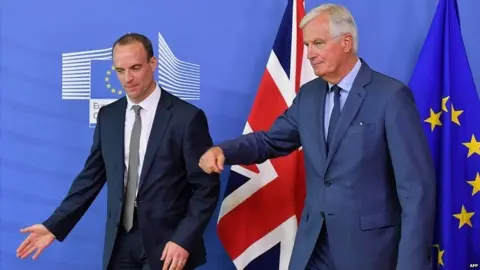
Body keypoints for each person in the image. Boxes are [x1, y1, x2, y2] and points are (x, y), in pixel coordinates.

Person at [199, 4, 436, 270]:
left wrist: (412, 264)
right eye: (307, 45)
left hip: (371, 252)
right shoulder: (309, 95)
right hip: (313, 247)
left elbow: (416, 190)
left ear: (346, 42)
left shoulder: (390, 96)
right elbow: (272, 140)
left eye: (318, 43)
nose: (310, 54)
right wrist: (225, 151)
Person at [16, 33, 220, 270]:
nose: (127, 79)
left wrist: (183, 239)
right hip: (120, 243)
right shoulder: (109, 117)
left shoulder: (187, 118)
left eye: (135, 68)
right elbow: (89, 179)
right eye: (120, 70)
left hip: (169, 245)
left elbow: (206, 188)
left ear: (153, 64)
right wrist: (54, 225)